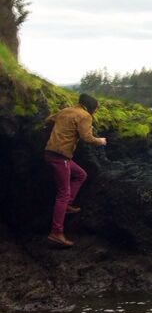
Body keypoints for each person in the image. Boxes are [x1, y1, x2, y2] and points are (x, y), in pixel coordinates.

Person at [44, 93, 107, 248]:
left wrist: (62, 129)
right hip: (61, 156)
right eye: (96, 108)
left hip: (51, 153)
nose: (96, 111)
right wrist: (100, 141)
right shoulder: (85, 116)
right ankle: (56, 233)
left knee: (80, 174)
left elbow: (48, 120)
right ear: (90, 106)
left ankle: (67, 205)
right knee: (63, 194)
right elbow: (87, 138)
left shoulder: (66, 111)